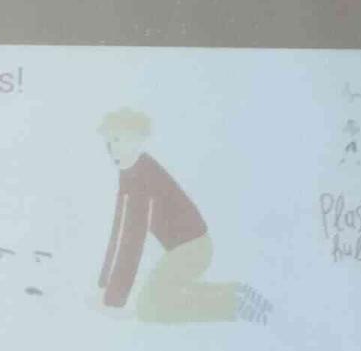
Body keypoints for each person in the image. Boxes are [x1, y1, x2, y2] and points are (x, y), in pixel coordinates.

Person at [95, 110, 247, 323]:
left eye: (118, 139)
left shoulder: (143, 175)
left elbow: (132, 241)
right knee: (161, 297)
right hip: (185, 249)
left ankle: (230, 305)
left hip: (192, 250)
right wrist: (103, 285)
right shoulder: (129, 172)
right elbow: (119, 230)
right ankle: (232, 294)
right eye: (109, 141)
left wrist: (113, 300)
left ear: (137, 139)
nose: (111, 148)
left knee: (149, 309)